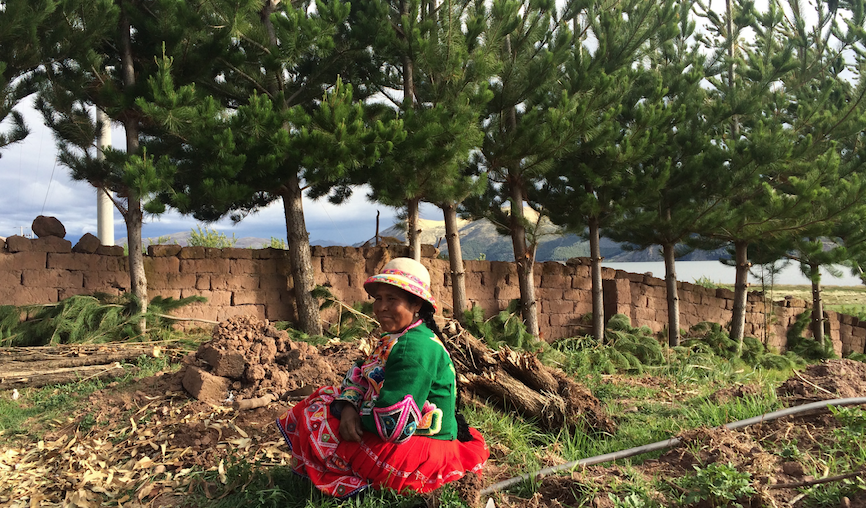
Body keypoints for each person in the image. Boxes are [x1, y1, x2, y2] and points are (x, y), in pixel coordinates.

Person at [276, 258, 489, 499]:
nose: (381, 307)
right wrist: (347, 407)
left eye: (392, 299)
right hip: (401, 431)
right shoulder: (397, 337)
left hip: (416, 451)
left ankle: (352, 479)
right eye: (378, 298)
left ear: (416, 303)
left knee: (317, 415)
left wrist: (353, 416)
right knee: (326, 400)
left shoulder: (414, 348)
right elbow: (359, 374)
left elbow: (394, 425)